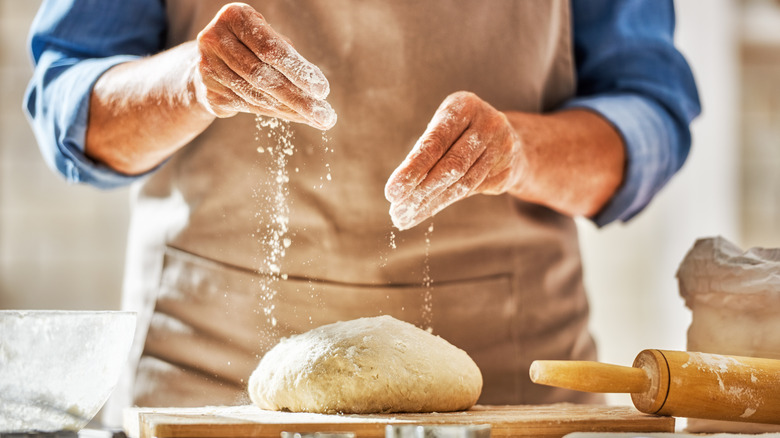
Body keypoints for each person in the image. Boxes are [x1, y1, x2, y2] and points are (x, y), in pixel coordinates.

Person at [25, 0, 699, 423]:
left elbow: (649, 116)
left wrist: (523, 151)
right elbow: (68, 97)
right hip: (209, 377)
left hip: (508, 390)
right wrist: (187, 83)